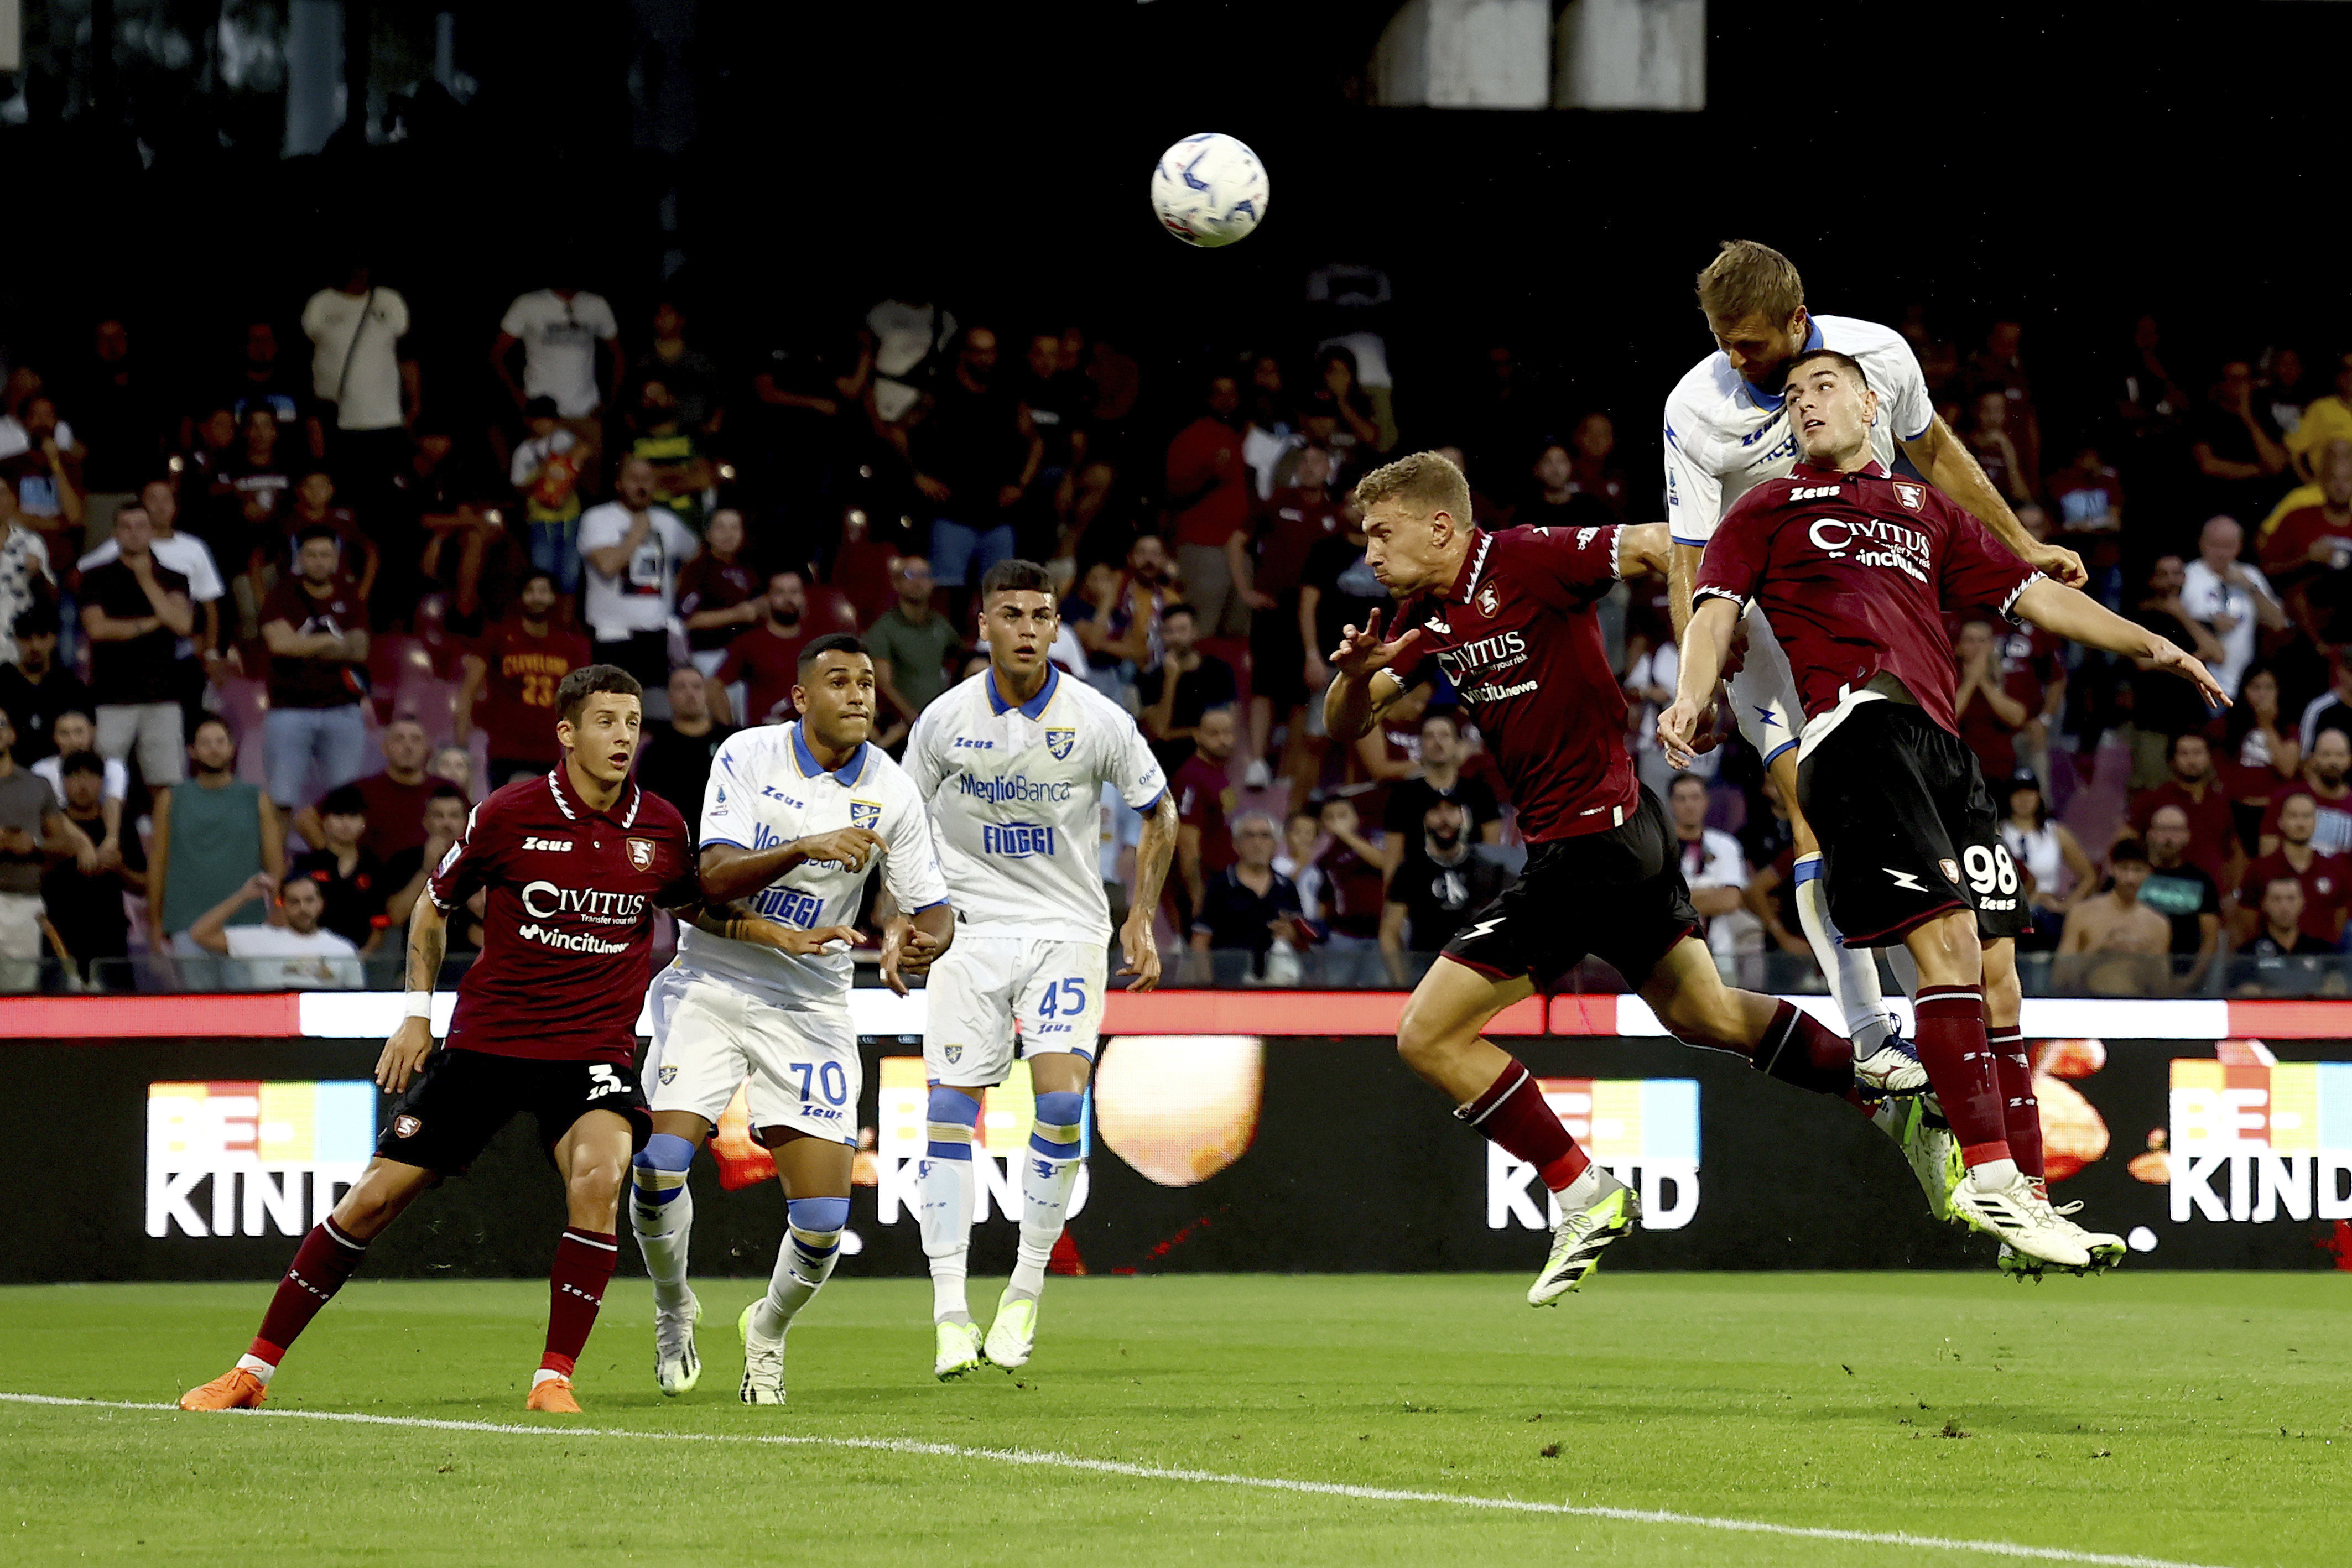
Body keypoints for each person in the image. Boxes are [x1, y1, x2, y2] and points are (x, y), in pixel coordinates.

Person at [1661, 349, 2227, 1272]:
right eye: (1792, 396)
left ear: (1870, 402)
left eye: (1823, 388)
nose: (1804, 403)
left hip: (1945, 754)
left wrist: (2149, 646)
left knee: (1999, 972)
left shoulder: (1930, 513)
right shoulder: (1763, 509)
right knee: (1950, 951)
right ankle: (1992, 1181)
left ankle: (2032, 1202)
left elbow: (2035, 596)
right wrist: (1691, 698)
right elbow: (1714, 614)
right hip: (1856, 737)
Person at [1328, 450, 1886, 1306]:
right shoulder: (1424, 614)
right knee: (1705, 1013)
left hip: (1590, 848)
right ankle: (1881, 1085)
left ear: (1440, 525)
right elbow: (1346, 722)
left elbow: (1662, 544)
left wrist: (1691, 668)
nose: (1369, 550)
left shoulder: (1529, 556)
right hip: (1622, 838)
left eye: (1381, 531)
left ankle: (1582, 1190)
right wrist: (1357, 672)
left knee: (1427, 1035)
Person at [178, 665, 815, 1416]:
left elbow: (688, 905)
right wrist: (417, 1011)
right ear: (568, 732)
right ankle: (251, 1371)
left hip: (590, 1051)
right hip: (489, 1042)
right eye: (605, 721)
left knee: (602, 1176)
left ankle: (554, 1379)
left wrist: (761, 929)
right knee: (371, 1202)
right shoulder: (508, 813)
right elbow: (433, 903)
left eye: (633, 722)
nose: (622, 736)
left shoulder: (661, 826)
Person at [1658, 241, 2083, 1092]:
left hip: (1875, 620)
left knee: (1902, 835)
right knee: (1812, 815)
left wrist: (2022, 544)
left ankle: (1950, 1024)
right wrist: (1694, 680)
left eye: (1747, 342)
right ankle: (1871, 1036)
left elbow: (1939, 454)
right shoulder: (1694, 405)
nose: (1731, 359)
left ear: (1796, 317)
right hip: (1763, 623)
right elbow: (1687, 552)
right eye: (1720, 339)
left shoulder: (1877, 355)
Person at [634, 636, 953, 1402]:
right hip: (713, 978)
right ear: (801, 697)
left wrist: (921, 944)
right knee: (657, 1166)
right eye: (838, 681)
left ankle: (767, 1331)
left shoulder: (893, 788)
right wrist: (805, 845)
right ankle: (674, 1304)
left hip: (811, 1000)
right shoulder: (746, 756)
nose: (858, 694)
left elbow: (934, 910)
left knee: (819, 1218)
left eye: (869, 682)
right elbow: (709, 878)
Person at [897, 559, 1173, 1376]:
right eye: (1009, 613)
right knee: (949, 1107)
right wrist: (901, 919)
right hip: (968, 933)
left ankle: (1023, 1290)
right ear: (982, 625)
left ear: (1058, 628)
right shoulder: (943, 722)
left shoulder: (1097, 718)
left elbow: (1160, 810)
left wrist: (1142, 913)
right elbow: (901, 826)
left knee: (1059, 1096)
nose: (1024, 627)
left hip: (1065, 928)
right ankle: (950, 1310)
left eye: (1040, 614)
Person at [79, 502, 194, 788]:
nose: (134, 534)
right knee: (105, 781)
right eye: (126, 527)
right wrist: (154, 622)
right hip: (111, 695)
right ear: (115, 533)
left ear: (153, 531)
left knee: (166, 783)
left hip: (162, 695)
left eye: (141, 526)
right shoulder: (95, 577)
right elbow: (98, 629)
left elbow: (182, 624)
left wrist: (145, 579)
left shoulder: (173, 577)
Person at [147, 717, 282, 959]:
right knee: (196, 998)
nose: (214, 749)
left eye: (221, 742)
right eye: (206, 743)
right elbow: (158, 863)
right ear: (192, 751)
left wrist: (277, 913)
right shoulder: (171, 799)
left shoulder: (257, 798)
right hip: (185, 922)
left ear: (232, 747)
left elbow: (274, 863)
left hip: (247, 924)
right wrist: (156, 924)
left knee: (245, 997)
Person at [260, 525, 371, 814]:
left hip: (343, 710)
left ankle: (341, 860)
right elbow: (280, 645)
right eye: (312, 555)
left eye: (326, 555)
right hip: (288, 711)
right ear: (300, 559)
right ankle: (277, 860)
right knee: (281, 802)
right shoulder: (281, 595)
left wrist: (301, 644)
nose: (319, 562)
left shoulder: (349, 594)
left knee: (345, 803)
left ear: (336, 559)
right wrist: (328, 640)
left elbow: (359, 649)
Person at [458, 571, 591, 789]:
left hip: (548, 750)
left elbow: (576, 703)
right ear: (520, 597)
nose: (537, 598)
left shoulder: (568, 645)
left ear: (554, 598)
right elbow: (469, 690)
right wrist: (461, 742)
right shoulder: (499, 636)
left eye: (543, 591)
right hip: (505, 750)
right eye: (530, 591)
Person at [577, 457, 698, 688]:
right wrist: (638, 530)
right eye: (634, 479)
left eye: (647, 479)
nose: (641, 486)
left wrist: (677, 583)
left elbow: (697, 555)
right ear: (619, 484)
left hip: (656, 634)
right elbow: (608, 566)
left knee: (654, 709)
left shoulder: (667, 521)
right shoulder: (598, 519)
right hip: (613, 633)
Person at [300, 263, 419, 492]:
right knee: (345, 488)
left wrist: (414, 404)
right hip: (337, 418)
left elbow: (408, 355)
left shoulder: (389, 300)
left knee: (388, 489)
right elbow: (305, 359)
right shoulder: (320, 303)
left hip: (386, 418)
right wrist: (312, 414)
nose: (359, 272)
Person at [40, 749, 145, 986]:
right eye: (75, 777)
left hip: (110, 937)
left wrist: (119, 868)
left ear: (102, 782)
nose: (83, 785)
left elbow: (144, 885)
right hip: (59, 935)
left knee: (117, 1015)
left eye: (91, 777)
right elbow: (34, 876)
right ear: (63, 782)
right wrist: (60, 854)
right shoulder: (50, 825)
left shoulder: (122, 826)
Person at [1380, 798, 1510, 983]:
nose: (1444, 819)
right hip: (1423, 970)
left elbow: (1502, 924)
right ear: (1425, 820)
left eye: (1451, 811)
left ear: (1464, 818)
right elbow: (1389, 931)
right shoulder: (1410, 870)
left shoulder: (1487, 869)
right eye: (1436, 811)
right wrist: (1401, 982)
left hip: (1475, 970)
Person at [1165, 374, 1253, 637]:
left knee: (1239, 627)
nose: (1226, 401)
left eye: (1232, 394)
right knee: (1202, 627)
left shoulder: (1242, 436)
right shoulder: (1191, 437)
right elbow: (1173, 492)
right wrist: (1208, 475)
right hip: (1202, 545)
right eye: (1219, 393)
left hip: (1239, 548)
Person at [188, 870, 362, 990]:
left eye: (309, 900)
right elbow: (200, 934)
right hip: (273, 1032)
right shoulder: (261, 939)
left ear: (321, 903)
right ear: (283, 905)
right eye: (295, 902)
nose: (303, 908)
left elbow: (360, 1004)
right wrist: (244, 895)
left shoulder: (343, 949)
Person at [294, 719, 435, 863]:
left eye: (416, 740)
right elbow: (305, 820)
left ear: (427, 749)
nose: (408, 747)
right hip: (372, 878)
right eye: (399, 739)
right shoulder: (362, 789)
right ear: (384, 748)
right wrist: (335, 860)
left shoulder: (445, 790)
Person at [1193, 812, 1312, 980]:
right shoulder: (1220, 885)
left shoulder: (1286, 887)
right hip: (1229, 985)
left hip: (1276, 987)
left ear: (1275, 844)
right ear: (1236, 844)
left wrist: (1292, 935)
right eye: (1249, 836)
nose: (1257, 843)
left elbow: (1303, 945)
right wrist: (1207, 988)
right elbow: (1201, 940)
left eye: (1265, 836)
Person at [1379, 709, 1502, 870]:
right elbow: (1393, 860)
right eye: (1430, 736)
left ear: (1457, 744)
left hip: (1473, 885)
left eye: (1445, 735)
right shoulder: (1402, 796)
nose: (1437, 742)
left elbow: (1492, 852)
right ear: (1421, 746)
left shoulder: (1480, 791)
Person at [0, 708, 70, 991]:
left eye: (0, 724)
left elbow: (65, 845)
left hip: (23, 903)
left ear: (12, 734)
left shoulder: (37, 786)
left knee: (20, 997)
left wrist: (33, 844)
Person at [864, 556, 962, 751]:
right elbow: (883, 683)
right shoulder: (884, 629)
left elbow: (963, 659)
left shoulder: (939, 624)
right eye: (910, 575)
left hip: (944, 722)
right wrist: (914, 718)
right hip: (903, 727)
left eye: (925, 576)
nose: (918, 582)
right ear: (896, 583)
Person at [2179, 515, 2281, 700]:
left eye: (2229, 546)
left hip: (2243, 685)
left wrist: (2250, 588)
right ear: (2202, 543)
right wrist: (2208, 622)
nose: (2222, 553)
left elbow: (2278, 622)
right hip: (2200, 682)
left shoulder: (2250, 575)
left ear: (2240, 546)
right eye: (2215, 545)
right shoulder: (2187, 576)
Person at [492, 280, 622, 426]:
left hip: (587, 410)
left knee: (589, 448)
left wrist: (610, 402)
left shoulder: (597, 304)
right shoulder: (528, 303)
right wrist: (518, 397)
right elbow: (498, 353)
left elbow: (617, 354)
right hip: (541, 410)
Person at [2233, 792, 2348, 950]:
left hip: (2320, 962)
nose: (2301, 824)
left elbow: (2340, 920)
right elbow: (2246, 921)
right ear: (2281, 822)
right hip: (2271, 961)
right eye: (2293, 816)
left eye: (2307, 816)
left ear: (2316, 822)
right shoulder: (2260, 869)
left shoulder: (2333, 869)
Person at [2056, 839, 2173, 994]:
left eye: (2138, 870)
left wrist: (2146, 959)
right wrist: (2100, 951)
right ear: (2111, 868)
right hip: (2089, 1004)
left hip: (2138, 1007)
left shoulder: (2158, 924)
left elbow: (2162, 988)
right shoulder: (2082, 913)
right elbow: (2060, 978)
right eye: (2124, 869)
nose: (2130, 878)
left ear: (2148, 872)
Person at [1136, 602, 1239, 776]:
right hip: (1165, 765)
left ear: (1194, 633)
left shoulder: (1219, 670)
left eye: (1182, 631)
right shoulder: (1151, 678)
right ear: (1162, 635)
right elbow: (1160, 731)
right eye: (1169, 632)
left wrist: (1180, 734)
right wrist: (1171, 679)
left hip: (1208, 761)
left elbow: (1226, 726)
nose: (1176, 637)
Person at [635, 665, 735, 839]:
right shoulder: (655, 751)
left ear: (706, 693)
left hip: (727, 840)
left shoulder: (732, 742)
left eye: (697, 687)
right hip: (674, 843)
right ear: (669, 696)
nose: (690, 693)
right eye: (681, 687)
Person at [1999, 772, 2094, 950]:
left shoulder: (2056, 833)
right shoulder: (1997, 832)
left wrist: (2066, 905)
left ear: (2039, 796)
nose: (2024, 799)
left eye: (2030, 793)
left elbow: (2089, 877)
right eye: (2018, 794)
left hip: (2047, 915)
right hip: (2008, 915)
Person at [508, 398, 587, 601]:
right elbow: (518, 487)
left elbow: (584, 452)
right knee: (542, 573)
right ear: (528, 421)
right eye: (538, 420)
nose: (543, 425)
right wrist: (540, 475)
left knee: (571, 575)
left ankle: (567, 628)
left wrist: (561, 463)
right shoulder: (522, 452)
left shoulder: (564, 439)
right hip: (540, 519)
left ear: (556, 421)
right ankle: (546, 628)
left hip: (570, 516)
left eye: (548, 420)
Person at [290, 783, 385, 951]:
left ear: (363, 823)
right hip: (309, 954)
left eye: (353, 816)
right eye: (339, 816)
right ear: (324, 821)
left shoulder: (373, 866)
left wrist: (359, 959)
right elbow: (288, 911)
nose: (346, 824)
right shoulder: (305, 864)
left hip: (360, 956)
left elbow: (379, 925)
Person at [712, 571, 814, 727]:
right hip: (765, 737)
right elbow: (714, 687)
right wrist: (730, 732)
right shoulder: (749, 643)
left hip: (810, 738)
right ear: (766, 599)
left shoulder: (817, 644)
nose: (788, 599)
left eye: (794, 592)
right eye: (780, 592)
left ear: (804, 598)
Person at [2140, 805, 2223, 988]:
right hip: (2135, 977)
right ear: (2150, 834)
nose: (2168, 838)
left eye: (2176, 831)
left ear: (2187, 836)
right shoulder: (2131, 876)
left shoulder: (2201, 880)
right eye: (2162, 830)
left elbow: (2211, 938)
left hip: (2183, 978)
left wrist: (2190, 980)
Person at [675, 508, 761, 676]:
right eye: (721, 528)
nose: (728, 534)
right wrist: (736, 614)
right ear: (708, 534)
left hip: (743, 656)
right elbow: (688, 620)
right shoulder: (697, 569)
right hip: (709, 655)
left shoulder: (748, 569)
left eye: (734, 528)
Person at [0, 606, 87, 765]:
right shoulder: (3, 679)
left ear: (54, 639)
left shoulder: (69, 684)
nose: (35, 646)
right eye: (27, 638)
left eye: (42, 636)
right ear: (16, 639)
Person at [31, 710, 125, 858]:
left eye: (79, 732)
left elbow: (113, 803)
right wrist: (83, 843)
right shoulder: (42, 769)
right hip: (61, 833)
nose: (73, 740)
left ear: (93, 732)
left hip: (101, 827)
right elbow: (53, 812)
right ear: (55, 737)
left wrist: (111, 840)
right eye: (64, 734)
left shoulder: (113, 766)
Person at [2261, 729, 2352, 857]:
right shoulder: (2287, 797)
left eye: (2340, 755)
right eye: (2326, 755)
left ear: (2349, 760)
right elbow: (2268, 852)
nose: (2333, 762)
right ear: (2313, 758)